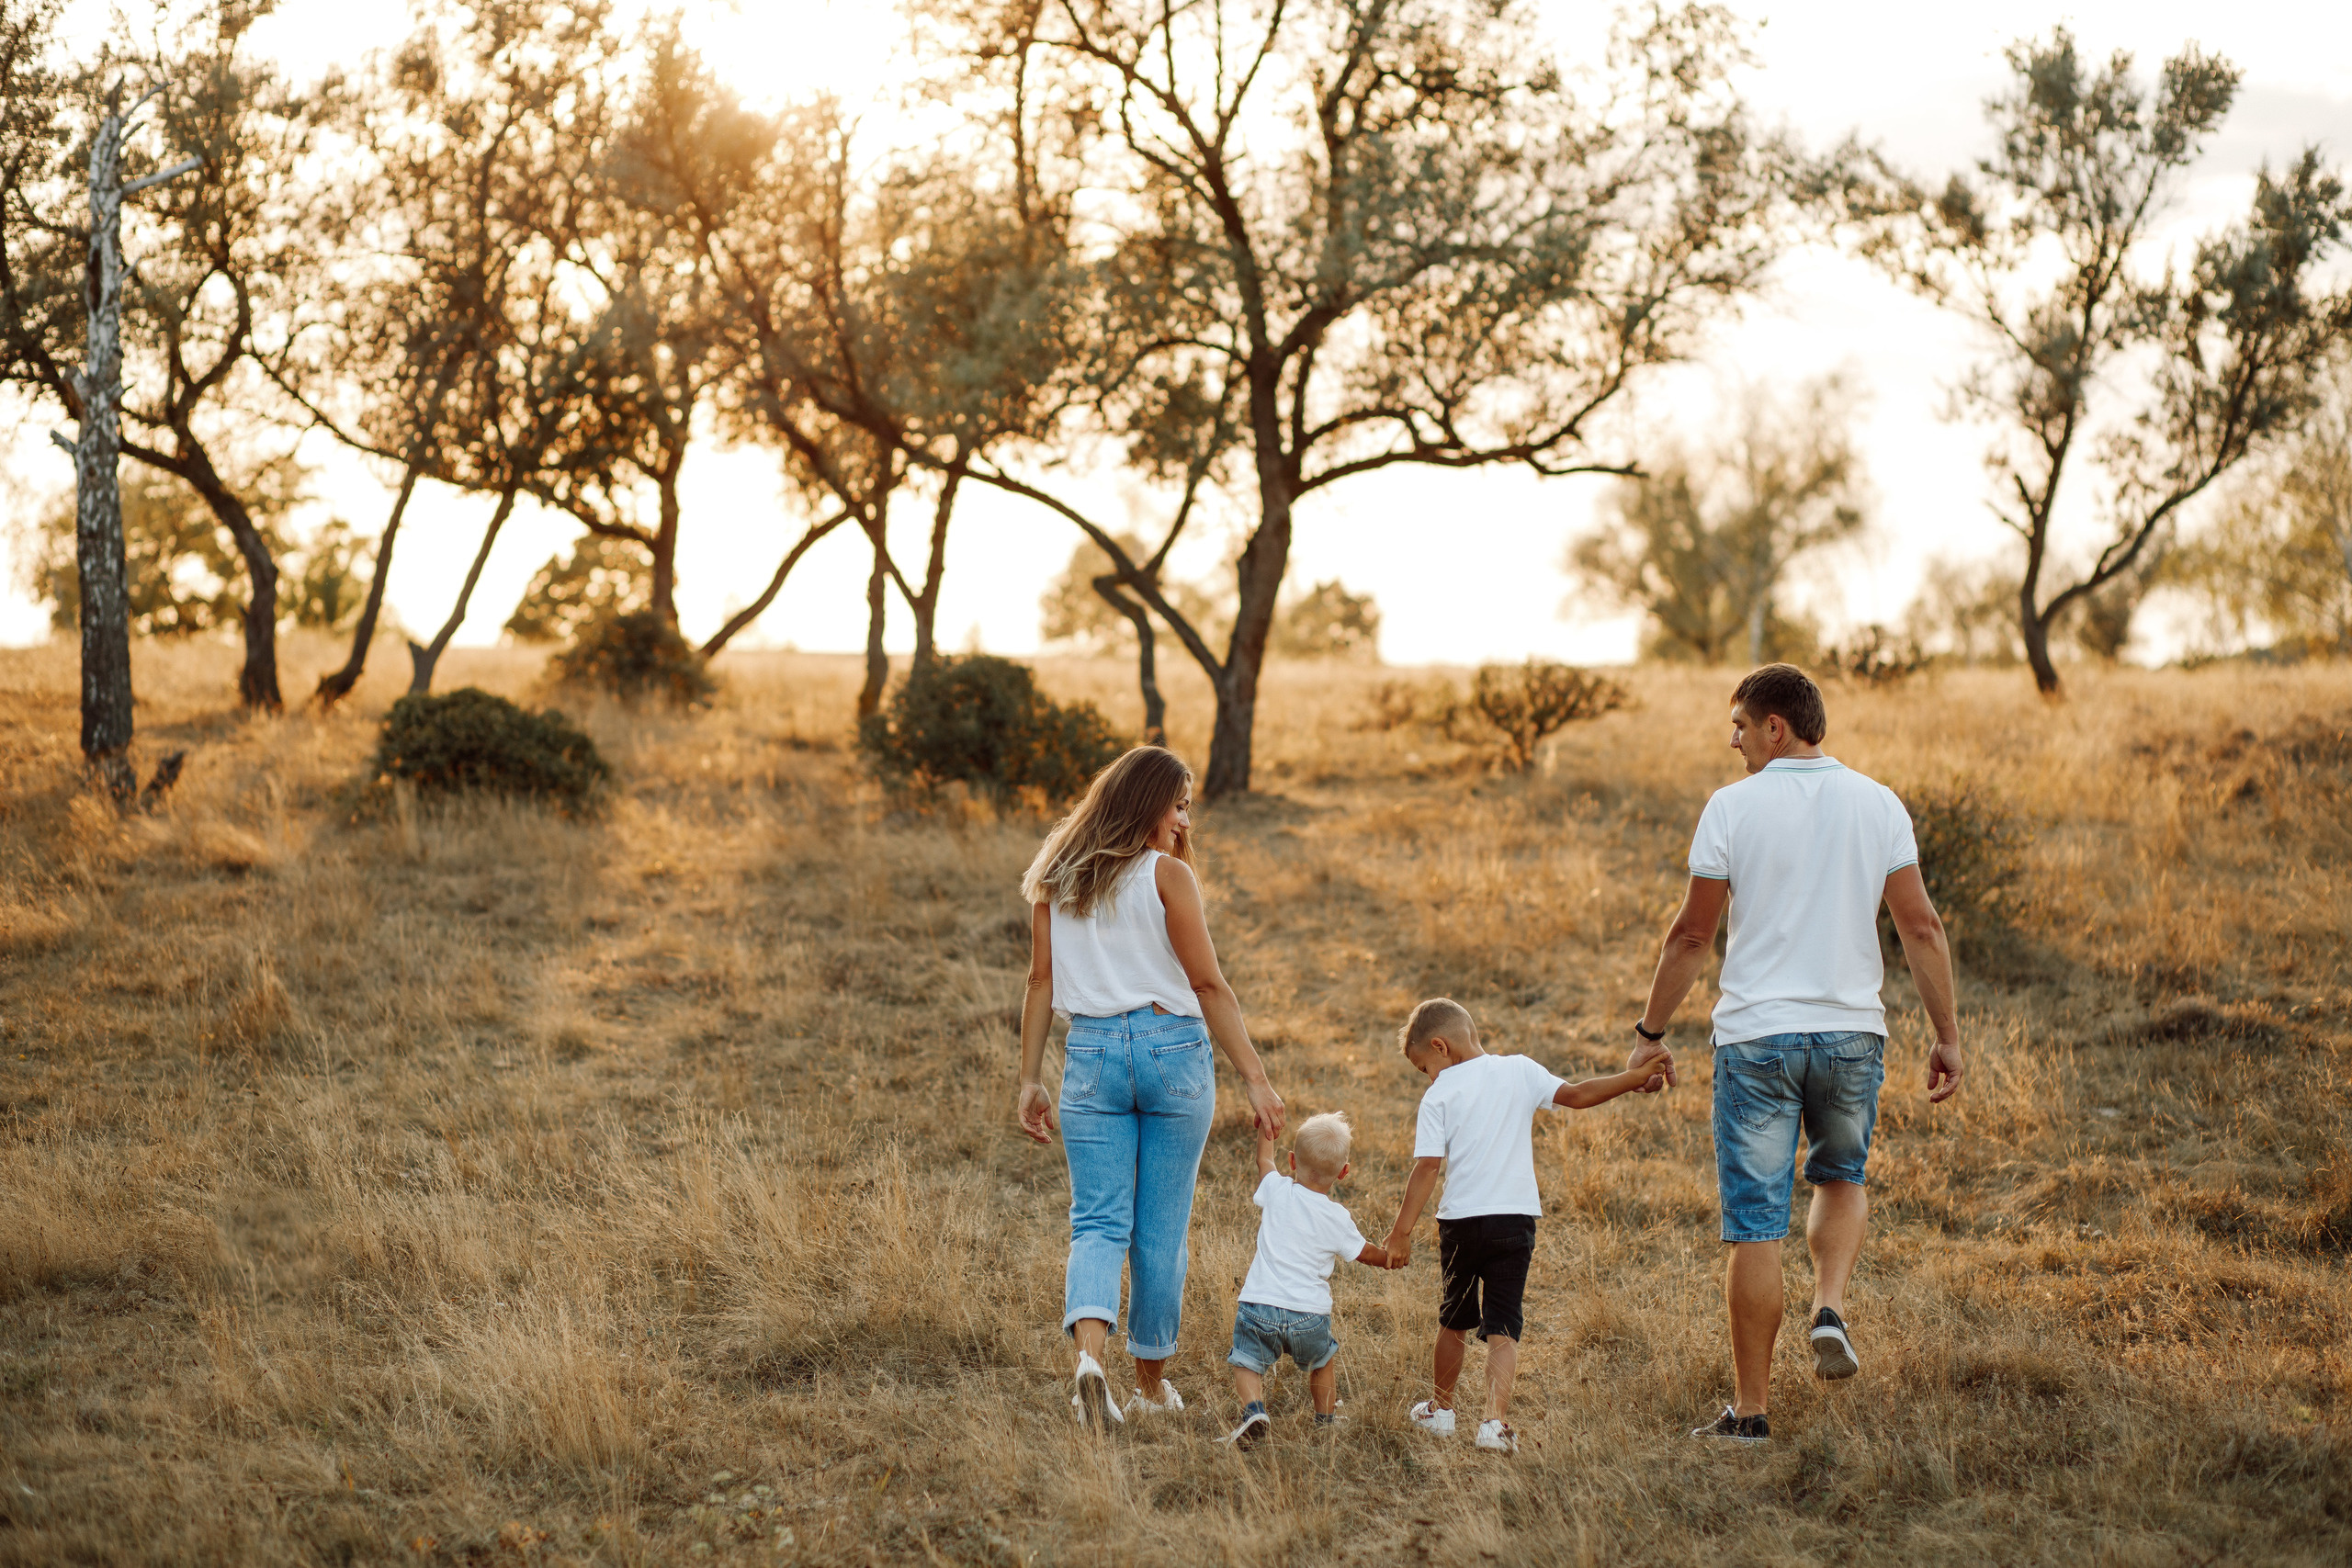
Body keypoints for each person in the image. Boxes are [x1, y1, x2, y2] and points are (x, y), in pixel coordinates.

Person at [1627, 663, 1964, 1445]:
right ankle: (1831, 1305)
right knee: (1841, 1176)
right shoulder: (1878, 803)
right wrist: (1947, 1035)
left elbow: (1691, 934)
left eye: (1741, 724)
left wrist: (1650, 1032)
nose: (1733, 738)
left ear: (1777, 726)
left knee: (1755, 1226)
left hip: (1756, 1039)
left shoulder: (1731, 808)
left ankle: (1750, 1413)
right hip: (1852, 1035)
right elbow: (1921, 927)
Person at [1016, 746, 1285, 1430]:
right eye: (1180, 804)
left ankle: (1089, 1362)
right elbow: (1207, 984)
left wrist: (1029, 1077)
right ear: (1147, 803)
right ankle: (1149, 1386)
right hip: (1172, 1053)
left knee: (1098, 1221)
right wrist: (1255, 1078)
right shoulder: (1167, 876)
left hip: (1093, 1053)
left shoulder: (1058, 871)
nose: (1185, 820)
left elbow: (1040, 983)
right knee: (1160, 1232)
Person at [1382, 998, 1673, 1454]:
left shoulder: (1438, 1095)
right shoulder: (1519, 1069)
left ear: (1440, 1046)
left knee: (1453, 1320)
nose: (1428, 1077)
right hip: (1515, 1221)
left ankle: (1441, 1412)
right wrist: (1635, 1078)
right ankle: (1493, 1425)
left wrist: (1401, 1231)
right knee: (1504, 1326)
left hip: (1460, 1224)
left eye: (1424, 1067)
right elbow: (1578, 1095)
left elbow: (1427, 1168)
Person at [1221, 1111, 1400, 1450]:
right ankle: (1325, 1421)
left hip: (1260, 1306)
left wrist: (1268, 1129)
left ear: (1292, 1161)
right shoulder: (1336, 1216)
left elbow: (1263, 1160)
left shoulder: (1276, 1190)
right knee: (1322, 1363)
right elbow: (1365, 1253)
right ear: (1344, 1173)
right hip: (1309, 1317)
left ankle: (1253, 1411)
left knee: (1246, 1362)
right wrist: (1391, 1255)